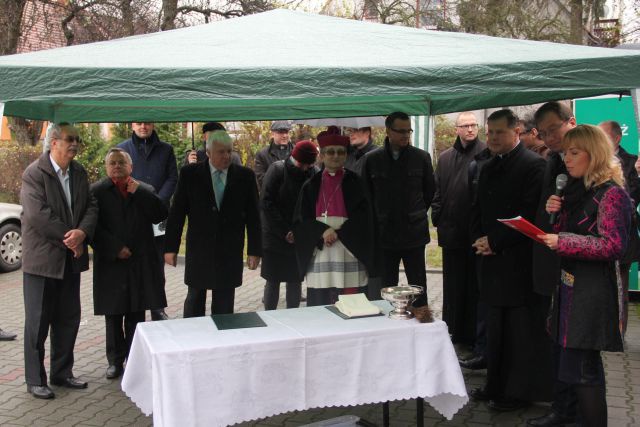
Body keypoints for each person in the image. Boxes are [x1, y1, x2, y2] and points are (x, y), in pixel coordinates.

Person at [538, 124, 632, 427]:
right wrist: (557, 216)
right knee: (576, 369)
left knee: (583, 371)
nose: (567, 158)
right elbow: (572, 233)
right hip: (570, 288)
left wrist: (564, 241)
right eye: (566, 152)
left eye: (575, 152)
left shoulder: (612, 194)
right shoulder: (578, 190)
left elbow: (613, 246)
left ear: (595, 155)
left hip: (592, 293)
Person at [469, 109, 546, 411]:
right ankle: (494, 385)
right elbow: (477, 208)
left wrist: (496, 242)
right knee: (495, 328)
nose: (493, 138)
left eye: (499, 132)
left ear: (517, 131)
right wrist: (477, 238)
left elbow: (530, 215)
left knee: (518, 333)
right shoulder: (487, 165)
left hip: (517, 262)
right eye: (489, 133)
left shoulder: (534, 166)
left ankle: (516, 393)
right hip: (489, 259)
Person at [20, 123, 97, 399]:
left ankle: (62, 372)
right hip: (42, 263)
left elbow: (91, 206)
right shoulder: (34, 174)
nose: (74, 144)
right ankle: (34, 379)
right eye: (69, 139)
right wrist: (72, 238)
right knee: (38, 323)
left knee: (68, 319)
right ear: (54, 143)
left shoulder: (78, 172)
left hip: (70, 262)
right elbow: (38, 216)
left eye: (77, 139)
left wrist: (83, 232)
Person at [164, 130, 261, 316]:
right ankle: (193, 341)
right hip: (199, 250)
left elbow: (254, 217)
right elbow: (177, 213)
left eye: (229, 151)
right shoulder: (189, 174)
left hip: (229, 251)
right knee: (194, 301)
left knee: (224, 307)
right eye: (221, 152)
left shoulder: (245, 176)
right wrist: (171, 248)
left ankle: (222, 342)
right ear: (208, 153)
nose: (226, 156)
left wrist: (255, 251)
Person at [91, 148, 168, 379]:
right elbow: (92, 228)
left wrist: (141, 193)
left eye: (121, 163)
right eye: (112, 163)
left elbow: (160, 215)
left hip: (139, 262)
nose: (117, 166)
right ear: (106, 167)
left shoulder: (144, 189)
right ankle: (115, 361)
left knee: (136, 312)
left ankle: (134, 359)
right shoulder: (96, 192)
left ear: (130, 167)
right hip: (111, 262)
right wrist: (115, 248)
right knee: (113, 314)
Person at [528, 101, 578, 427]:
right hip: (551, 259)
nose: (548, 138)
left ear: (570, 122)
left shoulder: (590, 165)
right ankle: (561, 407)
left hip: (577, 269)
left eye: (553, 130)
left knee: (574, 349)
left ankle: (572, 412)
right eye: (543, 133)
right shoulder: (553, 161)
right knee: (557, 341)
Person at [362, 111, 434, 307]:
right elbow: (366, 197)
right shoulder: (372, 160)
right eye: (400, 131)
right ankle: (387, 326)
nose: (405, 135)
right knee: (386, 288)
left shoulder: (421, 158)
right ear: (388, 131)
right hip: (384, 235)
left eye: (408, 131)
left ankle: (422, 322)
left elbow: (429, 193)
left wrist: (415, 214)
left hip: (414, 234)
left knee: (418, 286)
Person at [294, 132, 373, 306]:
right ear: (321, 155)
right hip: (321, 249)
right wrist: (322, 231)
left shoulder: (356, 182)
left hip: (349, 247)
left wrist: (339, 233)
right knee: (320, 301)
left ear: (346, 155)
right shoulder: (310, 185)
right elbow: (302, 218)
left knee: (352, 299)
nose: (336, 156)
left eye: (340, 152)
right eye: (330, 152)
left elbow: (364, 217)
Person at [431, 112, 486, 358]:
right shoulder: (444, 158)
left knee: (474, 286)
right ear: (457, 129)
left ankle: (474, 335)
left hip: (475, 233)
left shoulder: (486, 154)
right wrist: (438, 216)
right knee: (452, 285)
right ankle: (451, 330)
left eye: (474, 125)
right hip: (450, 232)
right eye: (465, 125)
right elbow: (437, 191)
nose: (470, 129)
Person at [118, 122, 177, 321]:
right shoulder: (123, 149)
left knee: (157, 263)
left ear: (153, 125)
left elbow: (172, 178)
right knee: (135, 262)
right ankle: (136, 306)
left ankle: (157, 307)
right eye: (138, 123)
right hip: (133, 216)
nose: (143, 126)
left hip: (159, 214)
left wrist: (156, 201)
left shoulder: (166, 149)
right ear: (132, 125)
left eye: (147, 123)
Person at [260, 140, 318, 310]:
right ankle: (269, 318)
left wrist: (301, 231)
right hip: (275, 238)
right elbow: (266, 203)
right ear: (295, 158)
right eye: (303, 164)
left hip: (299, 238)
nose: (306, 168)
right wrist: (285, 231)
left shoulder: (313, 172)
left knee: (295, 282)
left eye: (309, 164)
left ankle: (293, 318)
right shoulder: (277, 170)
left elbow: (314, 206)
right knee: (273, 281)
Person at [599, 120, 640, 335]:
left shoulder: (631, 163)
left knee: (620, 287)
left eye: (603, 135)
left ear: (616, 138)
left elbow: (631, 198)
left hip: (623, 236)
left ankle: (619, 333)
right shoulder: (594, 159)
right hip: (596, 236)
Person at [254, 121, 294, 189]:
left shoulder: (297, 152)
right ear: (273, 134)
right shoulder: (262, 154)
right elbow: (262, 180)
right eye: (280, 132)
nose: (284, 136)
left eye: (286, 132)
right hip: (272, 197)